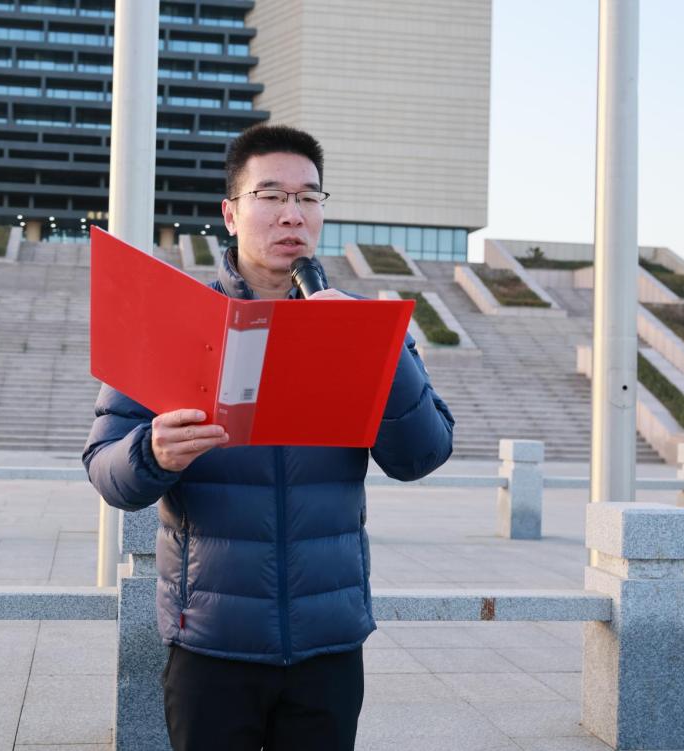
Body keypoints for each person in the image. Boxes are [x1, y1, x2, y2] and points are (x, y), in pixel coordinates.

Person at [83, 124, 455, 751]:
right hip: (210, 640)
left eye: (308, 197)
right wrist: (152, 452)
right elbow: (105, 468)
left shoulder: (363, 325)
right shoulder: (173, 321)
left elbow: (422, 454)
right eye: (271, 195)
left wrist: (382, 354)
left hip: (328, 641)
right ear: (231, 213)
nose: (292, 214)